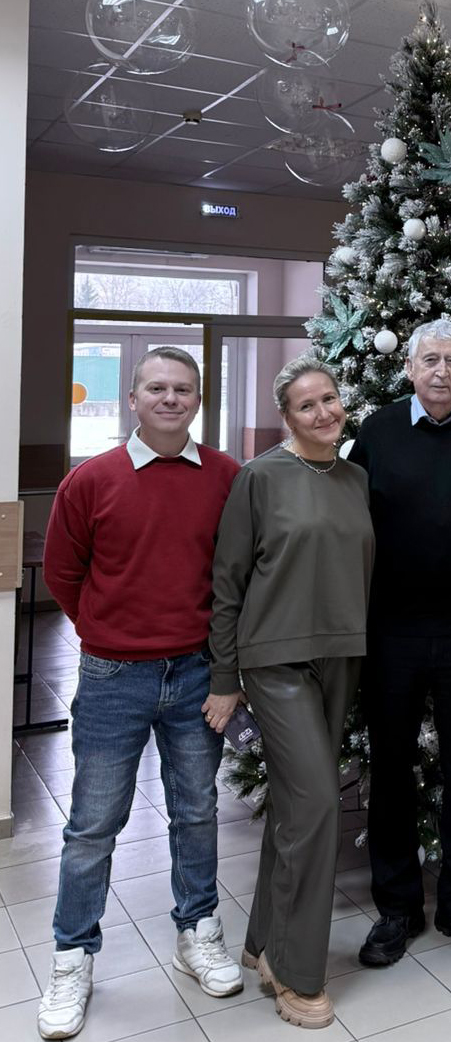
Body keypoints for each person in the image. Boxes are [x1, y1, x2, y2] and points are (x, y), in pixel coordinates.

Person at [39, 347, 243, 1041]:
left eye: (183, 389)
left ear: (198, 400)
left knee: (196, 812)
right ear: (133, 399)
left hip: (196, 675)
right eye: (157, 388)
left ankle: (198, 932)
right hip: (113, 676)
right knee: (93, 825)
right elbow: (63, 574)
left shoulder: (225, 476)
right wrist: (109, 630)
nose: (170, 399)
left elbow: (238, 574)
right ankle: (72, 958)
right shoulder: (91, 480)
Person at [208, 355, 374, 1029]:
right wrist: (225, 678)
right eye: (307, 405)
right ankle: (298, 973)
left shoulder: (356, 479)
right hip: (275, 662)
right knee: (318, 806)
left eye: (329, 399)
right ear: (286, 416)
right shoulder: (259, 478)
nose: (323, 412)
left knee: (295, 807)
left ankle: (260, 943)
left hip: (341, 656)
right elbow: (227, 583)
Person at [350, 320, 451, 966]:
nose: (440, 371)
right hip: (391, 630)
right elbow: (351, 523)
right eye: (429, 360)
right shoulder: (378, 431)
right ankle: (396, 909)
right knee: (391, 768)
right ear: (409, 369)